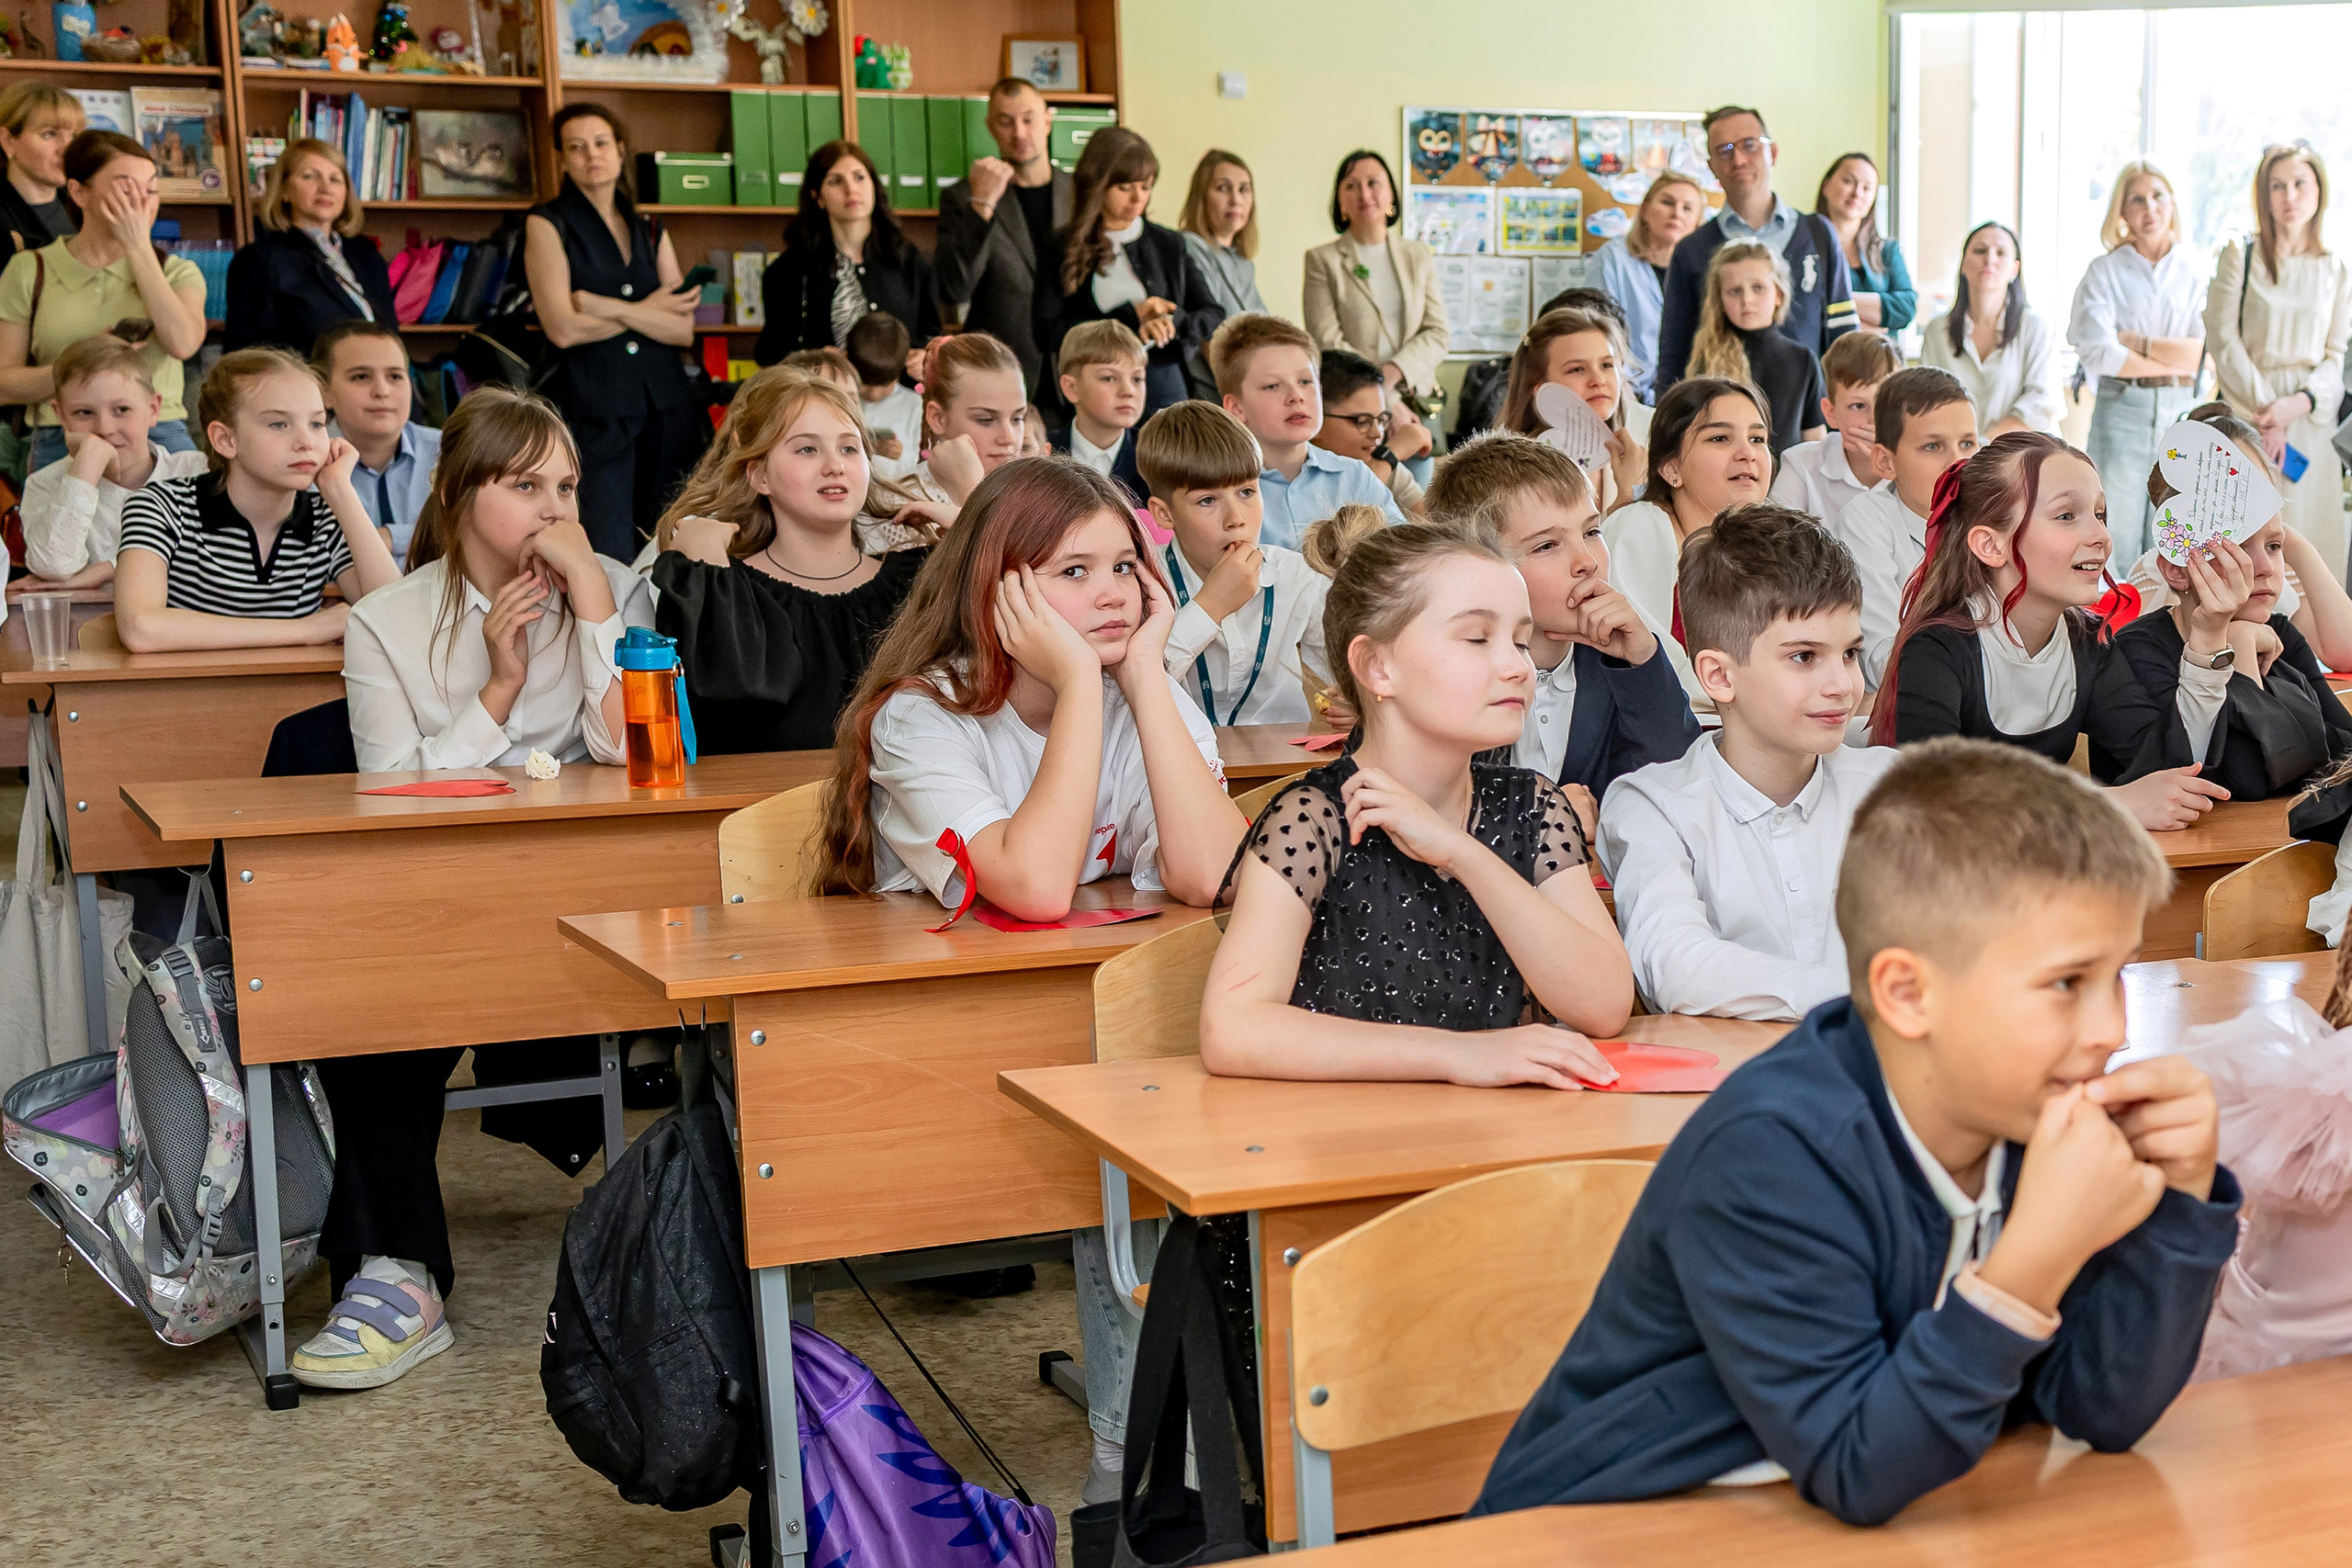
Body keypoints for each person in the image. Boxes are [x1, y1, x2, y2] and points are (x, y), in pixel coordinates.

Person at [1478, 737, 2240, 1525]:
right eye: (2066, 983)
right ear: (1908, 993)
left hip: (1823, 1513)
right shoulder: (1772, 1153)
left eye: (2117, 974)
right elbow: (1859, 1465)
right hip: (1610, 1523)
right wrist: (2033, 1257)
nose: (2112, 1029)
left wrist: (2181, 1200)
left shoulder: (2022, 1119)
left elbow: (2101, 1408)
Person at [306, 389, 654, 1392]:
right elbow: (386, 795)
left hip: (596, 901)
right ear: (458, 493)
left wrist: (595, 611)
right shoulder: (387, 620)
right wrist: (495, 694)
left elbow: (638, 764)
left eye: (569, 487)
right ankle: (397, 1273)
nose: (556, 509)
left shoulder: (618, 587)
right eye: (526, 485)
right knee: (366, 997)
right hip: (442, 903)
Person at [1196, 517, 1634, 1083]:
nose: (1516, 666)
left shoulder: (1532, 808)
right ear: (1378, 666)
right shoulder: (1313, 820)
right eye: (1477, 638)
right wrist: (1460, 1057)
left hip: (1502, 1142)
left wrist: (1463, 853)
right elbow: (1232, 1028)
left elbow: (1603, 1005)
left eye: (1521, 642)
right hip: (1355, 1143)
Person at [810, 457, 1244, 917]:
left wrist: (1144, 675)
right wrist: (1078, 682)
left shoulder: (1147, 695)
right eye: (1074, 571)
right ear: (997, 589)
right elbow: (1038, 890)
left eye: (1123, 566)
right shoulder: (920, 716)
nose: (1114, 594)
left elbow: (1218, 877)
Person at [1600, 504, 1893, 1021]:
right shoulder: (1654, 805)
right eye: (1804, 656)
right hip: (1727, 1090)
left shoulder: (1890, 787)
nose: (1843, 684)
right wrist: (1868, 997)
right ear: (1718, 677)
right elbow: (1675, 966)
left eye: (1849, 653)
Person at [1871, 432, 2240, 831]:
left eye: (2100, 515)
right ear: (1990, 546)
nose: (2100, 536)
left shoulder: (2088, 645)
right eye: (2067, 516)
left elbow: (2172, 772)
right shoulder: (1936, 649)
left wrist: (2207, 638)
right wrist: (2105, 803)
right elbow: (1930, 802)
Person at [1429, 433, 1698, 832]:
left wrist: (1642, 664)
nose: (1587, 562)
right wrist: (1539, 814)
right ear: (1474, 565)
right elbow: (1431, 813)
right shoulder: (1444, 676)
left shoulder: (1620, 665)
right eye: (1547, 546)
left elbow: (1678, 786)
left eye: (1592, 531)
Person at [650, 374, 926, 755]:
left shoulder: (917, 583)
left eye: (849, 448)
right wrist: (707, 567)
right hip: (757, 811)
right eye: (807, 450)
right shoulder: (717, 585)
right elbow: (729, 701)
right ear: (759, 475)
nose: (835, 466)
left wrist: (966, 519)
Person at [113, 347, 401, 651]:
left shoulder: (327, 518)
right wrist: (304, 629)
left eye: (316, 423)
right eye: (278, 424)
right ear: (226, 440)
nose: (306, 442)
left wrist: (341, 491)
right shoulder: (159, 507)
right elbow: (140, 628)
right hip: (187, 696)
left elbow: (395, 618)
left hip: (297, 697)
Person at [523, 103, 703, 561]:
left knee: (675, 546)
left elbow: (683, 329)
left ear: (621, 151)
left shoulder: (650, 227)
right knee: (608, 548)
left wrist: (603, 305)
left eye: (601, 143)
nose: (591, 156)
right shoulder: (547, 223)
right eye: (576, 147)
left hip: (667, 406)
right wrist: (648, 312)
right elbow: (562, 328)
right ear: (562, 158)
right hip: (594, 410)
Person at [2116, 511, 2352, 810]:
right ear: (2178, 570)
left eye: (2274, 546)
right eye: (2237, 547)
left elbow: (2345, 756)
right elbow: (2248, 780)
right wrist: (2239, 649)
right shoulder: (2139, 649)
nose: (2265, 568)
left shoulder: (2279, 633)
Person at [0, 130, 208, 469]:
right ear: (79, 192)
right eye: (126, 189)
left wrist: (139, 247)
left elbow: (182, 343)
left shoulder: (175, 271)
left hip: (159, 433)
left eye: (151, 189)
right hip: (62, 434)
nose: (141, 201)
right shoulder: (29, 269)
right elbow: (4, 384)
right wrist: (82, 367)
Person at [2207, 142, 2352, 581]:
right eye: (2278, 186)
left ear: (2318, 190)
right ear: (2263, 194)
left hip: (2310, 423)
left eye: (2300, 184)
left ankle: (2314, 648)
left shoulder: (2335, 267)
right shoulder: (2240, 253)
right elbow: (2222, 339)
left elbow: (2335, 355)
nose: (2290, 196)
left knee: (2312, 542)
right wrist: (2271, 413)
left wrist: (2298, 404)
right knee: (2243, 540)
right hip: (2248, 413)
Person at [1138, 399, 1330, 728]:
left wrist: (1355, 701)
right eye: (1208, 500)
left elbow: (1355, 675)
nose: (1236, 519)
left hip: (1280, 766)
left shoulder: (1299, 576)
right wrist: (1208, 608)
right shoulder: (1141, 584)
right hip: (1173, 770)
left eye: (1246, 493)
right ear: (1164, 513)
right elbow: (1127, 691)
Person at [1654, 106, 1855, 389]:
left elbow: (1846, 339)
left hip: (1809, 423)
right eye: (1724, 150)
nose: (1738, 159)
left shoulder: (1818, 235)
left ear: (1772, 153)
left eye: (1749, 145)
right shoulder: (1691, 251)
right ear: (1712, 166)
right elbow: (1673, 356)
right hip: (1720, 423)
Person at [1601, 377, 1774, 703]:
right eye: (1720, 438)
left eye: (1757, 438)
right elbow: (1646, 664)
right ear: (1671, 469)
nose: (1747, 453)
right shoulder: (1641, 527)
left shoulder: (1779, 542)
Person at [1035, 127, 1222, 422]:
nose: (1138, 199)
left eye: (1146, 187)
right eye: (1125, 188)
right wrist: (1132, 318)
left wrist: (1171, 322)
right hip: (1092, 392)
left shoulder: (1169, 244)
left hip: (1164, 387)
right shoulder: (1059, 246)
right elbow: (1046, 332)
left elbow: (1213, 314)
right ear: (1096, 185)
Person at [2069, 162, 2206, 564]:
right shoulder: (2104, 271)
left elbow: (2203, 354)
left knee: (2177, 539)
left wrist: (2136, 343)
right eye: (2137, 199)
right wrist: (2171, 362)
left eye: (2158, 196)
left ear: (2173, 205)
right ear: (2122, 212)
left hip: (2182, 415)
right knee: (2114, 535)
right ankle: (2115, 626)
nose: (2150, 207)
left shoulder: (2195, 271)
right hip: (2121, 413)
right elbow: (2098, 351)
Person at [1301, 147, 1450, 469]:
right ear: (1340, 201)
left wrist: (1392, 376)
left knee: (1419, 508)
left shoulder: (1418, 255)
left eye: (1373, 183)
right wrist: (1384, 401)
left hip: (1417, 405)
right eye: (1351, 185)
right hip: (1352, 413)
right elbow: (1328, 341)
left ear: (1392, 194)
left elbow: (1437, 331)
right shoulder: (1321, 261)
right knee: (1363, 506)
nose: (1364, 193)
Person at [19, 333, 206, 585]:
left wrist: (107, 569)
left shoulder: (194, 471)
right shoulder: (45, 484)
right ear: (61, 415)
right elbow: (53, 567)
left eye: (122, 410)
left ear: (153, 409)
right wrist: (86, 468)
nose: (105, 428)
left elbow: (211, 558)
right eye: (84, 413)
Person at [1209, 311, 1405, 551]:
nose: (1296, 397)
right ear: (1236, 408)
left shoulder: (1354, 477)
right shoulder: (1218, 490)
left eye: (1305, 382)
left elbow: (1400, 559)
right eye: (1272, 386)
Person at [1837, 367, 1980, 690]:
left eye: (1968, 444)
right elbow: (1884, 661)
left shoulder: (1993, 520)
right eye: (1933, 446)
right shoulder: (1866, 520)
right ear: (1886, 462)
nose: (1957, 463)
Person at [933, 78, 1072, 394]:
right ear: (990, 127)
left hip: (1076, 369)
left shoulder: (1081, 193)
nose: (1019, 133)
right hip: (1002, 371)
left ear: (1048, 120)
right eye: (1006, 122)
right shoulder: (963, 197)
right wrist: (981, 207)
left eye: (1028, 119)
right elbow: (955, 289)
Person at [754, 139, 941, 366]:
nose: (851, 189)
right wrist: (816, 360)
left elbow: (932, 340)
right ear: (818, 197)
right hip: (824, 396)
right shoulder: (787, 271)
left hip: (900, 396)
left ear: (874, 186)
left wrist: (922, 357)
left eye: (860, 178)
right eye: (835, 181)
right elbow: (770, 355)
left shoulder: (910, 262)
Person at [222, 139, 398, 355]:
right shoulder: (260, 261)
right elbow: (247, 357)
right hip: (309, 387)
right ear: (284, 190)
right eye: (310, 176)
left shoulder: (369, 258)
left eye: (335, 179)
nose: (325, 188)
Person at [313, 318, 437, 568]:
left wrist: (392, 537)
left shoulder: (450, 450)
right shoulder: (303, 459)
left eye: (395, 376)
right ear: (323, 391)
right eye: (361, 377)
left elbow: (470, 533)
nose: (382, 390)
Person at [1920, 222, 2063, 438]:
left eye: (2001, 253)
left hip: (2023, 455)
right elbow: (1927, 402)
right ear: (1963, 265)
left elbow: (2042, 402)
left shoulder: (2034, 326)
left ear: (2015, 269)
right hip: (1958, 458)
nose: (1990, 260)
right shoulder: (1937, 331)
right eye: (1980, 251)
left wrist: (1984, 444)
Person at [1497, 307, 1645, 513]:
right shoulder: (1517, 474)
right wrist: (1627, 496)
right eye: (1577, 369)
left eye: (1607, 365)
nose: (1598, 381)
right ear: (1540, 387)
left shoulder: (1643, 445)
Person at [1685, 239, 1826, 456]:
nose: (1747, 300)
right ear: (1720, 300)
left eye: (1758, 288)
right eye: (1734, 291)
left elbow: (1816, 446)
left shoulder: (1803, 360)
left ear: (1778, 294)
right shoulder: (1705, 358)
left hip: (1789, 486)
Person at [1770, 329, 1902, 526]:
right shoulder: (1801, 465)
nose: (1875, 419)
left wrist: (1900, 474)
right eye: (1858, 406)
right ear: (1831, 413)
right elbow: (1776, 543)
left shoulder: (1921, 467)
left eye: (1886, 402)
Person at [895, 329, 1028, 525]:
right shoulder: (903, 503)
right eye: (986, 420)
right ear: (938, 418)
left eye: (1017, 418)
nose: (1008, 437)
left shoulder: (1042, 498)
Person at [1592, 173, 1705, 402]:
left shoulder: (1702, 270)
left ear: (1697, 223)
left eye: (1688, 208)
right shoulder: (1613, 259)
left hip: (1684, 397)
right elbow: (1596, 330)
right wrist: (1622, 390)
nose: (1677, 213)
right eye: (1667, 202)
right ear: (1644, 209)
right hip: (1621, 393)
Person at [1314, 346, 1427, 516]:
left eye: (1381, 420)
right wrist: (1390, 456)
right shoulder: (1298, 472)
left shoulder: (1378, 460)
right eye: (1362, 421)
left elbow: (1429, 523)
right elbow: (1341, 529)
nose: (1377, 433)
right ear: (1315, 420)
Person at [1815, 152, 1914, 335]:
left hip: (1882, 361)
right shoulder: (1804, 247)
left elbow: (1906, 307)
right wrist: (1870, 323)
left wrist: (1834, 303)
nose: (1857, 193)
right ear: (1826, 186)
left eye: (1867, 188)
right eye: (1848, 181)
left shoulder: (1888, 251)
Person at [1048, 318, 1148, 500]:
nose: (1128, 391)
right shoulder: (1045, 453)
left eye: (1137, 379)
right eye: (1108, 378)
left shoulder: (1154, 458)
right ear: (1071, 388)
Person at [1175, 148, 1265, 332]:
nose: (1236, 200)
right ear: (1201, 197)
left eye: (1244, 189)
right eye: (1223, 188)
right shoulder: (1189, 248)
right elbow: (1210, 333)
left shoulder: (1243, 261)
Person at [0, 82, 84, 257]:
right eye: (49, 134)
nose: (66, 149)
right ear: (7, 141)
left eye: (74, 136)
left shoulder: (84, 203)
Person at [844, 310, 922, 465]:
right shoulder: (840, 399)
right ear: (846, 361)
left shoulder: (914, 405)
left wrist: (900, 454)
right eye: (864, 385)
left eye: (884, 386)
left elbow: (921, 462)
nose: (873, 394)